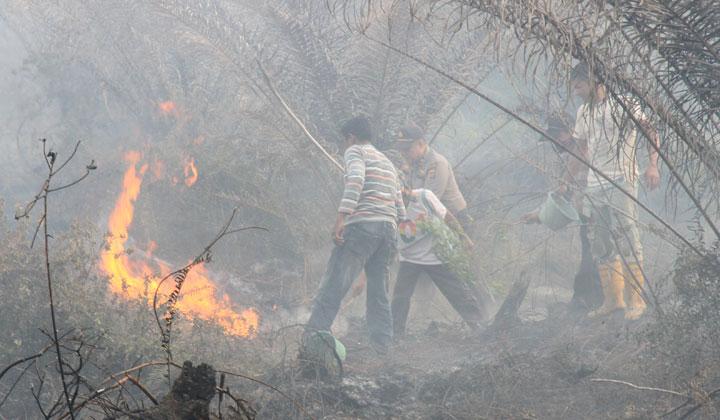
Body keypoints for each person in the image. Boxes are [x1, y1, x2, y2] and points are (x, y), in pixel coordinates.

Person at [305, 116, 406, 353]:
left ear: (351, 137)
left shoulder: (355, 152)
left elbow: (356, 180)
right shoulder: (387, 162)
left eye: (344, 141)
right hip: (388, 230)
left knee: (334, 283)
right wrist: (389, 235)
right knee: (379, 291)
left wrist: (342, 217)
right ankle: (382, 347)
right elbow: (400, 207)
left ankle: (312, 340)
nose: (344, 146)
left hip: (363, 227)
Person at [570, 61, 660, 320]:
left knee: (629, 237)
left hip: (622, 180)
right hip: (594, 185)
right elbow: (579, 150)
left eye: (579, 83)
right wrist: (568, 181)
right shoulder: (583, 112)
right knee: (600, 242)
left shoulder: (624, 104)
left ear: (595, 82)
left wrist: (652, 165)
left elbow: (650, 131)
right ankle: (613, 300)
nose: (575, 89)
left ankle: (637, 301)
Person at [390, 157, 486, 337]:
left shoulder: (424, 196)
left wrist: (463, 237)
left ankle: (480, 326)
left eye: (401, 189)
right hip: (409, 258)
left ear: (405, 187)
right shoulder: (390, 206)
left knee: (456, 291)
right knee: (400, 297)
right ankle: (395, 335)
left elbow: (447, 216)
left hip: (434, 255)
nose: (399, 194)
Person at [525, 114, 603, 311]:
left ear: (569, 133)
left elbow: (564, 193)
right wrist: (540, 214)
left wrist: (540, 215)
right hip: (585, 213)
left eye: (558, 136)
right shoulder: (570, 158)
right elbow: (562, 195)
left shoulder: (585, 153)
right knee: (591, 254)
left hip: (598, 211)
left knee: (594, 257)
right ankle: (590, 302)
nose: (556, 142)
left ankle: (587, 302)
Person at [394, 124, 473, 232]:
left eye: (407, 149)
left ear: (420, 144)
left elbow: (429, 200)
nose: (403, 153)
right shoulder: (414, 164)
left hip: (454, 220)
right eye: (401, 150)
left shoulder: (436, 163)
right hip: (435, 219)